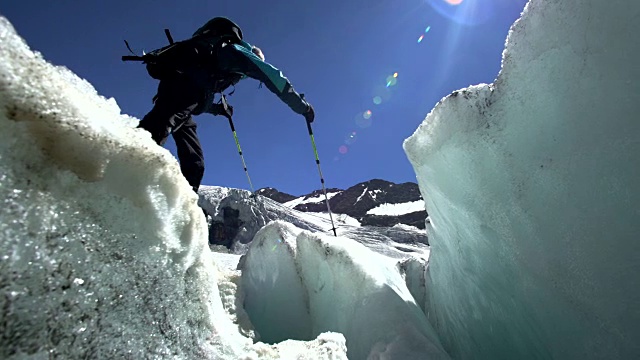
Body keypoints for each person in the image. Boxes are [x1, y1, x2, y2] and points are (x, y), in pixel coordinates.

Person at [137, 17, 315, 193]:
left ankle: (183, 206)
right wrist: (302, 107)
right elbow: (273, 76)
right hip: (182, 89)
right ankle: (127, 158)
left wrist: (217, 110)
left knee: (195, 162)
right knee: (160, 125)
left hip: (180, 92)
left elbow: (195, 101)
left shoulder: (214, 64)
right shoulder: (236, 52)